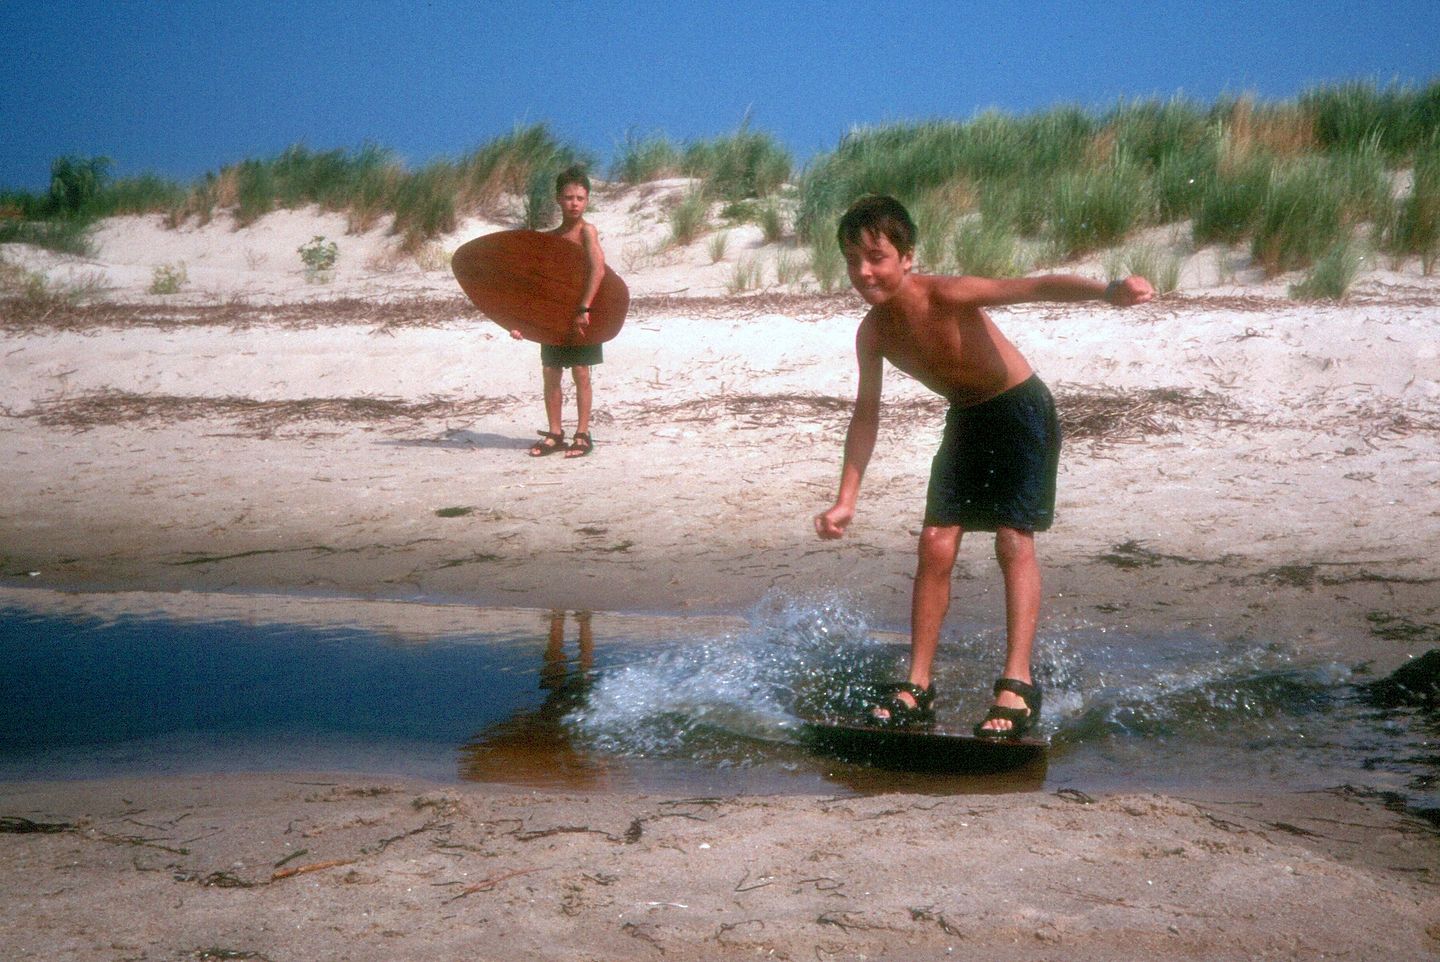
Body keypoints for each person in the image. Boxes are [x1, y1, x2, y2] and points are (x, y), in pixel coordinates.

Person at [814, 195, 1154, 737]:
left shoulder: (948, 294)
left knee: (1012, 541)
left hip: (1021, 410)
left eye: (876, 256)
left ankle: (1016, 684)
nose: (863, 272)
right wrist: (846, 497)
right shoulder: (872, 332)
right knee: (934, 542)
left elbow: (1032, 287)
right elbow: (866, 414)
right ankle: (918, 685)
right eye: (852, 260)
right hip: (967, 419)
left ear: (907, 257)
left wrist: (1107, 291)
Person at [517, 165, 606, 458]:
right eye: (568, 197)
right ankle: (555, 432)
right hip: (554, 313)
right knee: (551, 371)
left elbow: (598, 270)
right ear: (558, 199)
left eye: (580, 197)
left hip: (583, 312)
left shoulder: (587, 232)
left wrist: (585, 307)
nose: (574, 203)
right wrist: (520, 322)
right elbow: (538, 286)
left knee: (581, 372)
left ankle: (582, 433)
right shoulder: (551, 238)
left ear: (587, 200)